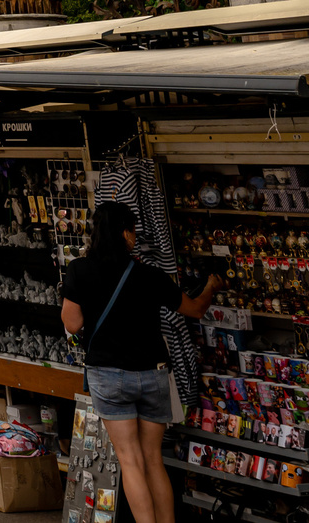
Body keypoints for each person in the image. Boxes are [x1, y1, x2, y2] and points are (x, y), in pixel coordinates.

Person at [60, 203, 223, 523]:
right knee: (153, 460)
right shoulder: (148, 274)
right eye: (132, 230)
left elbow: (73, 324)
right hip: (152, 375)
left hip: (108, 377)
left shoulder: (80, 270)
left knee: (131, 461)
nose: (134, 237)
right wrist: (210, 289)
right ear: (124, 232)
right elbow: (194, 310)